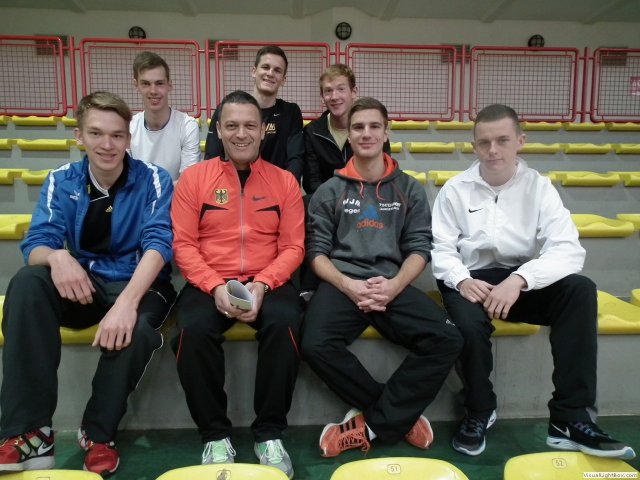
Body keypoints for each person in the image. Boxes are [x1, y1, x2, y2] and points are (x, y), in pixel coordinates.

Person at [431, 103, 636, 460]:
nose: (493, 150)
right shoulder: (454, 190)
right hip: (470, 280)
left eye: (502, 140)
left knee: (580, 291)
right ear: (474, 146)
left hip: (519, 280)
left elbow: (568, 249)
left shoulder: (539, 188)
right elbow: (441, 248)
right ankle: (479, 409)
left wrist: (521, 278)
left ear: (520, 141)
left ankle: (570, 418)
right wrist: (461, 279)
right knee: (466, 323)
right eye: (484, 142)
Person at [0, 91, 176, 475]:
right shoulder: (60, 180)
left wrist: (127, 303)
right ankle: (30, 433)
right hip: (87, 283)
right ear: (79, 136)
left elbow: (159, 244)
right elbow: (36, 243)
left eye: (116, 135)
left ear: (128, 138)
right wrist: (57, 257)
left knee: (138, 329)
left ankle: (98, 434)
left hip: (140, 283)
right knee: (28, 284)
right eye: (96, 133)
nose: (107, 145)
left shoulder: (154, 179)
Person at [302, 97, 463, 458]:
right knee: (313, 344)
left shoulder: (409, 188)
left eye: (374, 126)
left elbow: (420, 248)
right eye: (358, 127)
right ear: (349, 135)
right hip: (343, 284)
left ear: (387, 132)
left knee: (448, 339)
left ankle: (372, 426)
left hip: (392, 284)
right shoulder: (329, 191)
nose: (366, 133)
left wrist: (393, 286)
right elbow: (316, 254)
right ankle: (397, 417)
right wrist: (349, 285)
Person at [170, 90, 304, 479]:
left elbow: (293, 246)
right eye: (231, 126)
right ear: (218, 130)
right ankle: (215, 435)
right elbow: (183, 245)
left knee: (286, 325)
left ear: (262, 131)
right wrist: (214, 286)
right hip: (209, 280)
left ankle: (269, 433)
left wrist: (263, 284)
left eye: (249, 126)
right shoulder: (194, 179)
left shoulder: (284, 182)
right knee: (191, 332)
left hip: (268, 280)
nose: (241, 134)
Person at [204, 45, 304, 183]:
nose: (270, 73)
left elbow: (295, 159)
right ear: (253, 71)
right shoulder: (227, 109)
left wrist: (287, 188)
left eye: (277, 70)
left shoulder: (291, 112)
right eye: (265, 67)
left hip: (277, 188)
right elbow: (212, 157)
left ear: (283, 80)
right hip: (232, 188)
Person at [302, 64, 389, 195]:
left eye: (341, 89)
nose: (334, 97)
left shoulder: (373, 130)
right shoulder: (312, 132)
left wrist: (356, 202)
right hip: (328, 202)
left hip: (367, 199)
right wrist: (340, 202)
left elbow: (384, 175)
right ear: (322, 96)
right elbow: (312, 183)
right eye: (328, 91)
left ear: (354, 92)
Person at [129, 51, 201, 182]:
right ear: (136, 85)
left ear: (169, 85)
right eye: (146, 83)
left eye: (159, 83)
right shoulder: (129, 128)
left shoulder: (187, 126)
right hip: (140, 196)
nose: (153, 91)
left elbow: (187, 182)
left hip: (176, 195)